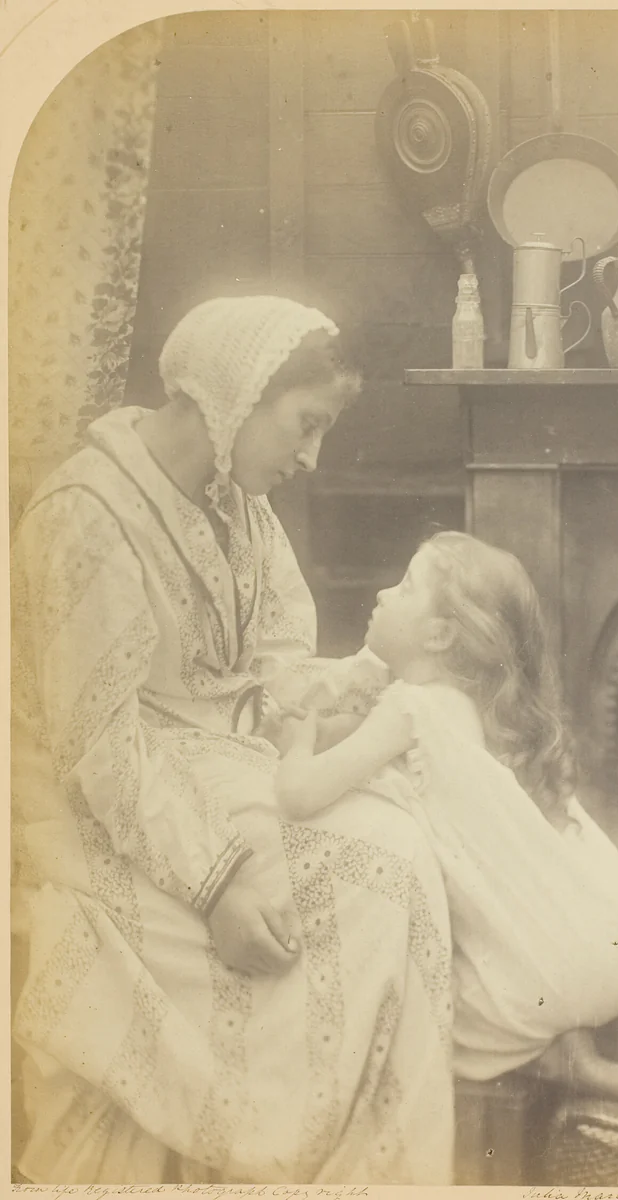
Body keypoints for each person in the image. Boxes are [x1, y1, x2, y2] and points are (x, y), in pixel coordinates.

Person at [11, 296, 457, 1184]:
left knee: (409, 828)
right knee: (382, 870)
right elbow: (99, 748)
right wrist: (217, 887)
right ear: (236, 395)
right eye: (305, 425)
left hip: (214, 771)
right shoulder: (88, 516)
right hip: (88, 809)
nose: (311, 457)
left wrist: (358, 692)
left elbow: (275, 670)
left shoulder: (238, 510)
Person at [276, 531, 618, 1106]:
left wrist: (296, 741)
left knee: (396, 1002)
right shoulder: (476, 711)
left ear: (439, 634)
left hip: (527, 989)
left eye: (404, 588)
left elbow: (301, 795)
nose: (383, 595)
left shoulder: (411, 709)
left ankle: (563, 1059)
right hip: (613, 955)